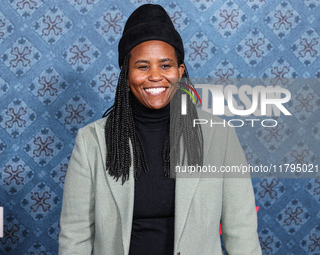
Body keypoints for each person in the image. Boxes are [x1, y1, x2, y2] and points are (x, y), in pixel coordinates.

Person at [59, 4, 262, 255]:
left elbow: (241, 233)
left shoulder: (219, 136)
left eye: (165, 66)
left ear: (180, 70)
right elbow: (75, 236)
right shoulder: (92, 141)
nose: (155, 76)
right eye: (143, 66)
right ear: (125, 72)